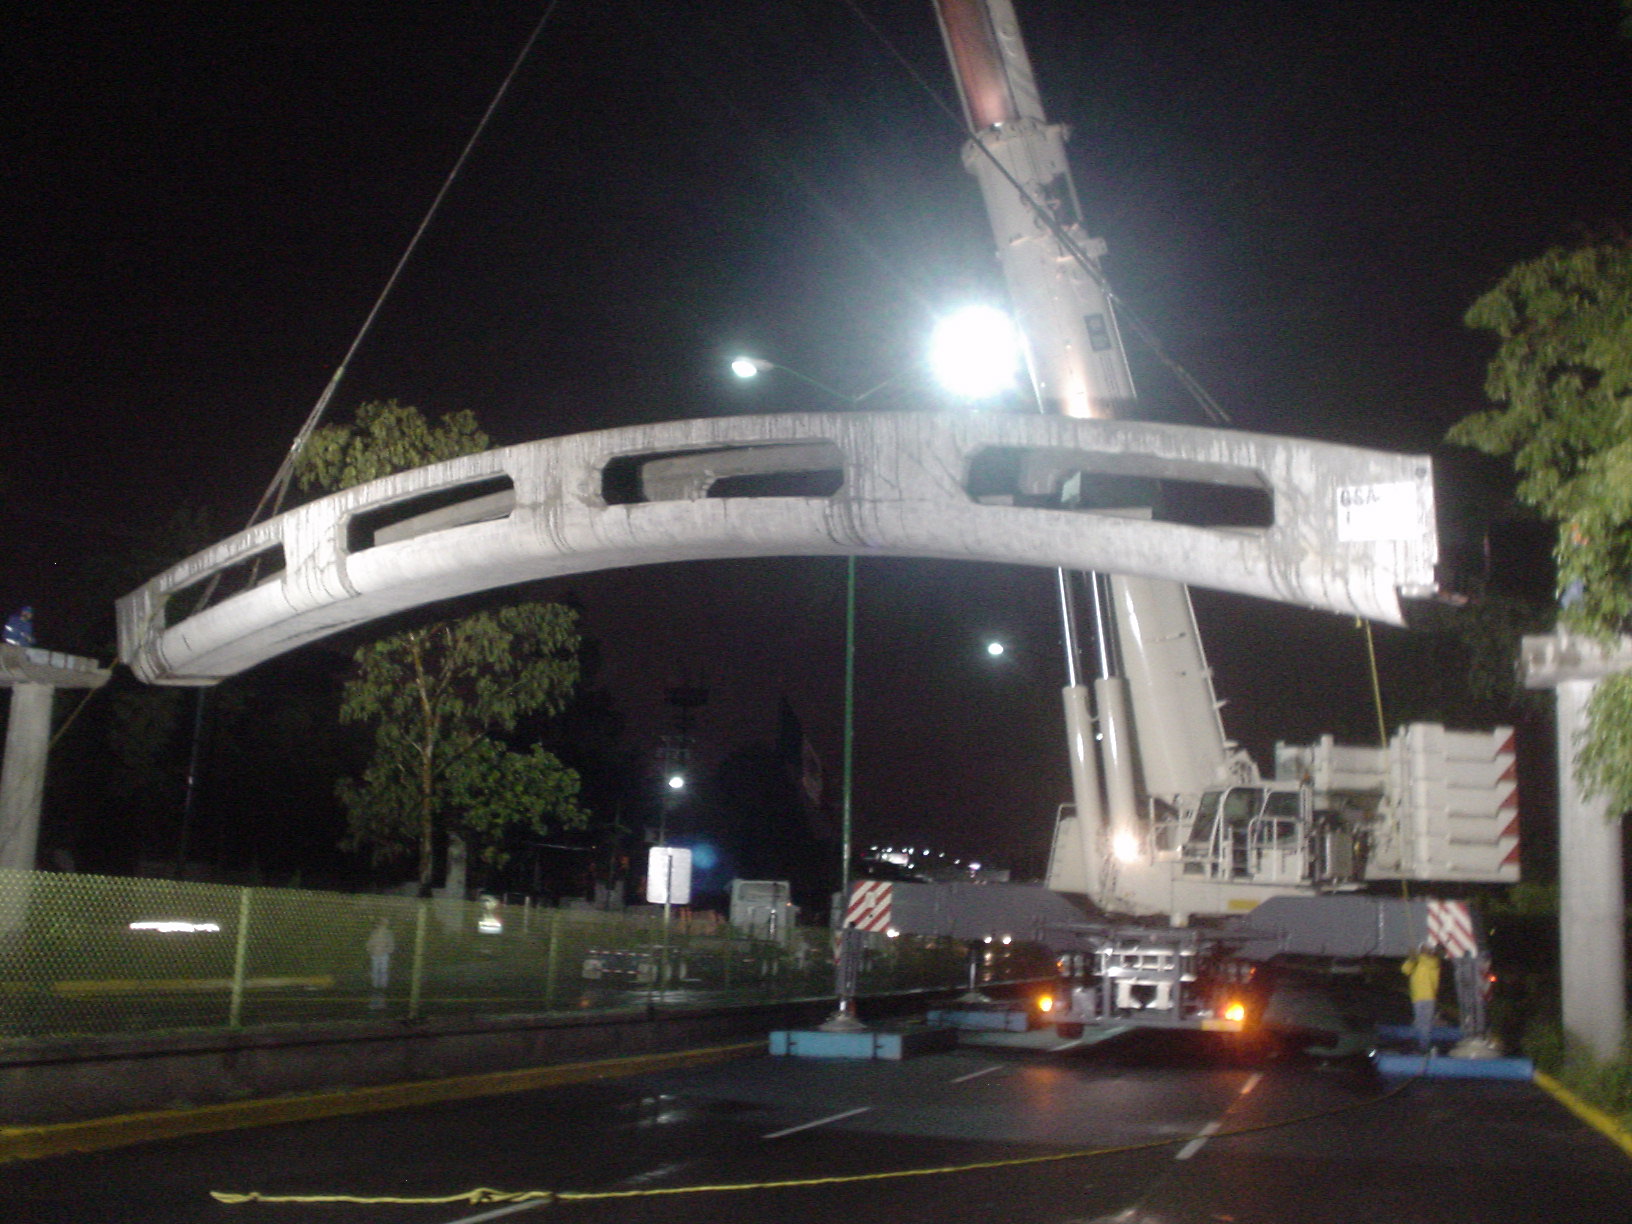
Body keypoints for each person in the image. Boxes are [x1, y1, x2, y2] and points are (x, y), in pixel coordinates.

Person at [1401, 941, 1442, 1053]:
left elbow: (1429, 962)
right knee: (1420, 1023)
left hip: (1428, 997)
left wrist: (1416, 957)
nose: (1426, 951)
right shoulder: (1417, 961)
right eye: (1424, 949)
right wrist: (1411, 960)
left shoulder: (1433, 961)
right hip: (1417, 997)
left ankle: (1424, 1048)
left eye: (1428, 949)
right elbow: (1405, 970)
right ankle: (1421, 1046)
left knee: (1425, 1024)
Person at [366, 918, 395, 991]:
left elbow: (391, 944)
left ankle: (383, 985)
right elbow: (370, 942)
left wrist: (387, 950)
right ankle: (375, 985)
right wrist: (370, 950)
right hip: (375, 953)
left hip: (383, 954)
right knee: (375, 969)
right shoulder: (374, 933)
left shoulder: (388, 933)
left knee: (383, 970)